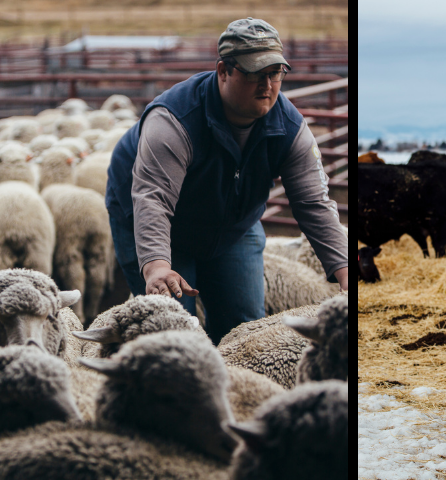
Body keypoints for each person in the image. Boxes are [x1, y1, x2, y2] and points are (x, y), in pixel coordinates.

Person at [106, 18, 348, 344]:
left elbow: (314, 202)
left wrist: (347, 271)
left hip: (233, 222)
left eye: (275, 73)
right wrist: (157, 267)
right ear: (224, 71)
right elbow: (153, 197)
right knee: (172, 328)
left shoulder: (289, 128)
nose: (267, 85)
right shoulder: (176, 120)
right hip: (157, 219)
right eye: (253, 73)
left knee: (244, 327)